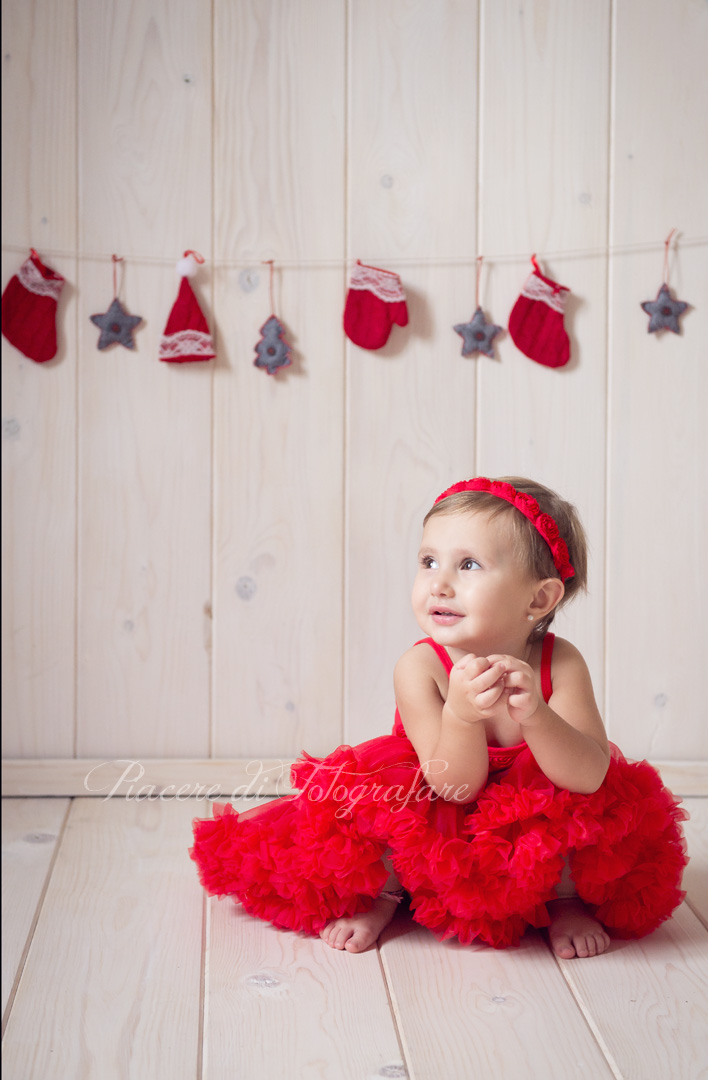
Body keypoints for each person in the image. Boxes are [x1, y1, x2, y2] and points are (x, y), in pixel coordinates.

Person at [190, 476, 687, 958]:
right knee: (375, 825)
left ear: (539, 599)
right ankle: (385, 895)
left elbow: (588, 775)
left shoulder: (561, 663)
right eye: (429, 561)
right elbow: (453, 789)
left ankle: (565, 899)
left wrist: (536, 715)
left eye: (468, 565)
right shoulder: (421, 666)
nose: (439, 584)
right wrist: (462, 716)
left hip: (531, 809)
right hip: (440, 796)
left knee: (587, 823)